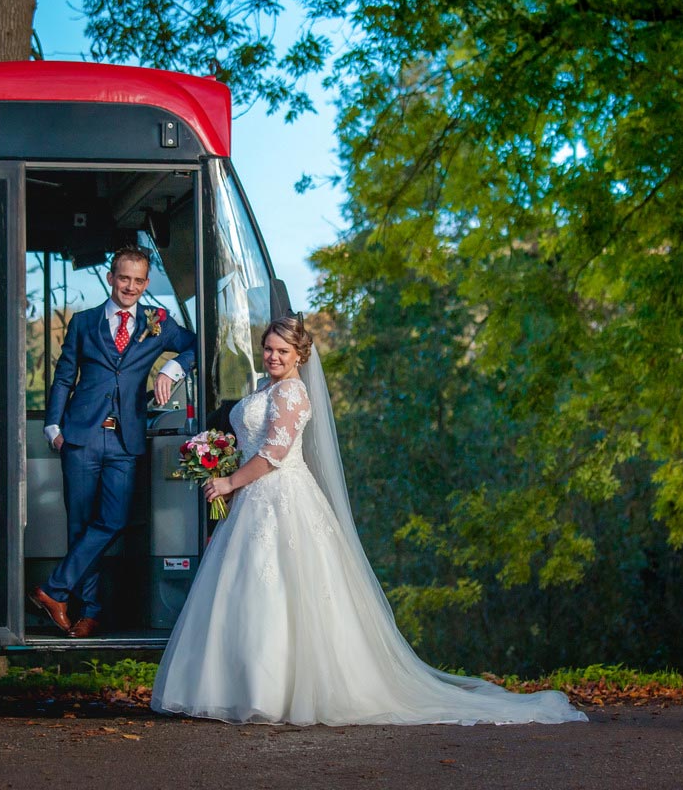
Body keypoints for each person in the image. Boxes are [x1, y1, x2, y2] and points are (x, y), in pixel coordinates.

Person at [150, 316, 588, 725]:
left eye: (283, 351)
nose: (273, 357)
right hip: (255, 501)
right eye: (268, 349)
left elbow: (274, 454)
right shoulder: (265, 389)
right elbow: (252, 446)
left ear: (300, 355)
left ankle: (273, 692)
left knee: (279, 591)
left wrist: (228, 483)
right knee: (247, 592)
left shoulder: (290, 393)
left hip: (281, 498)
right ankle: (245, 687)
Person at [29, 245, 196, 638]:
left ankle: (53, 589)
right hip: (80, 436)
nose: (131, 287)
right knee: (80, 525)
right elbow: (65, 376)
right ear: (111, 278)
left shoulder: (159, 321)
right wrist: (53, 426)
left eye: (139, 281)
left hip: (126, 440)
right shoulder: (84, 323)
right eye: (124, 278)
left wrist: (171, 368)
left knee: (113, 521)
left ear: (146, 283)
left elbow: (195, 344)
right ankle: (88, 612)